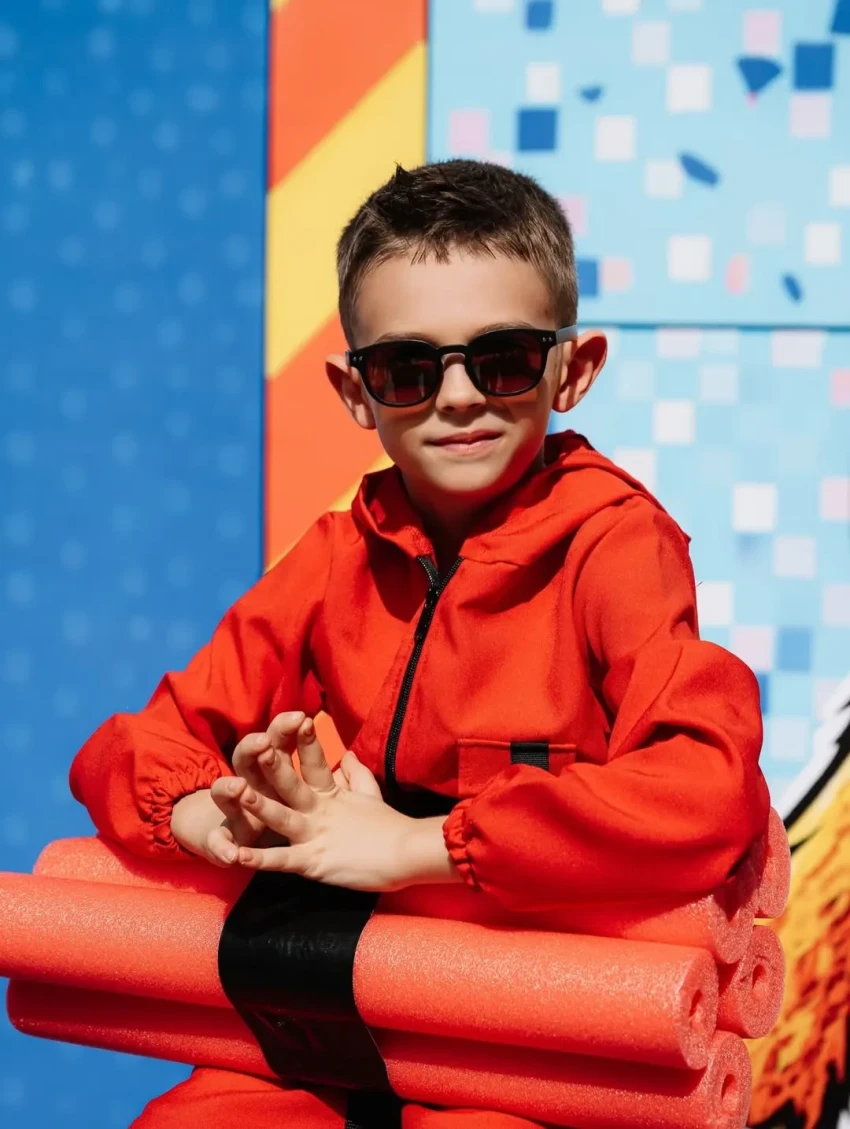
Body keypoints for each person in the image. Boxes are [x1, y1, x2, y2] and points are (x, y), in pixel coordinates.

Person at [69, 159, 771, 1128]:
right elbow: (134, 742)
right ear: (356, 390)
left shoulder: (617, 548)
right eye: (408, 368)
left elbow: (706, 786)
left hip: (528, 1033)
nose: (458, 397)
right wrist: (209, 815)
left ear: (573, 369)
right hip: (337, 1012)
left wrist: (417, 845)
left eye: (503, 359)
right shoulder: (333, 556)